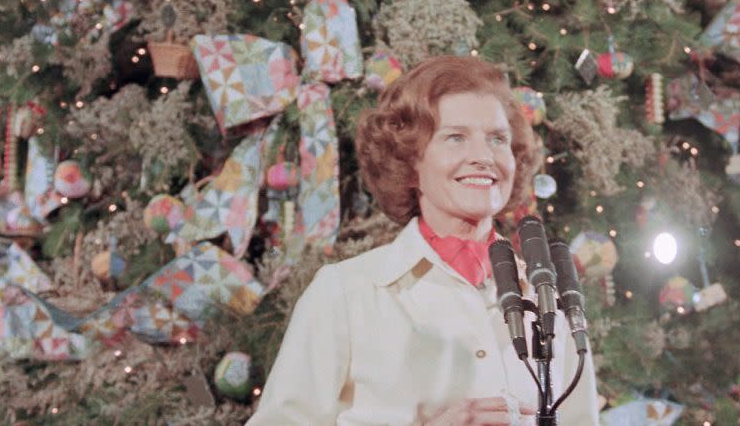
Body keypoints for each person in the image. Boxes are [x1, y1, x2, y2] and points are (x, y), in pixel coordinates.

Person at [248, 56, 599, 425]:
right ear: (410, 162)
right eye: (455, 137)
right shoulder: (344, 293)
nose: (483, 157)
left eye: (497, 139)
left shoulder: (549, 299)